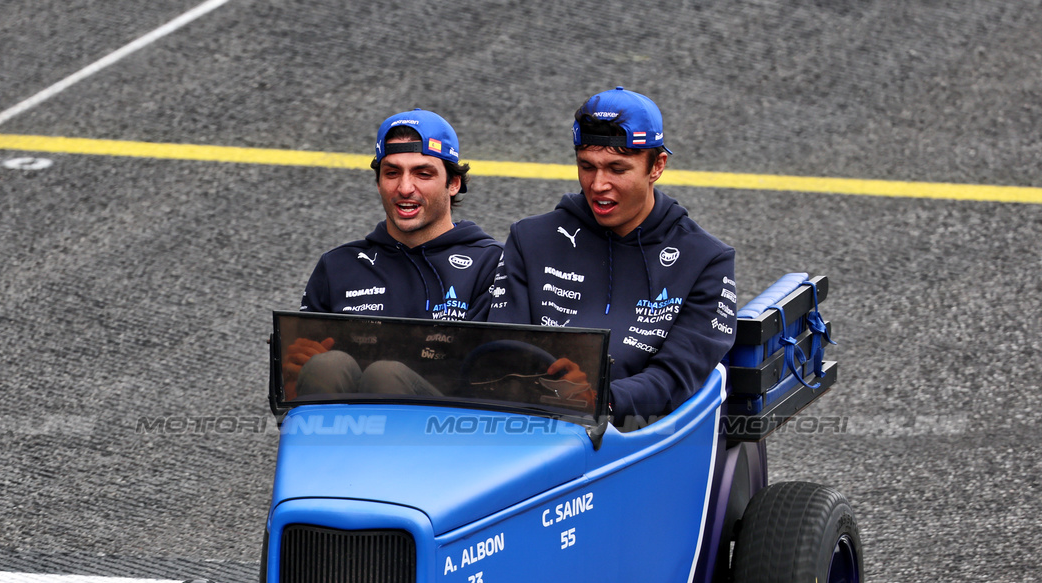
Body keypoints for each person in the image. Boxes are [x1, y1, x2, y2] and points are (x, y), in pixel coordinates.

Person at [489, 87, 737, 426]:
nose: (598, 184)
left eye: (617, 169)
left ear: (657, 166)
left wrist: (598, 400)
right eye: (587, 166)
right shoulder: (529, 239)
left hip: (630, 436)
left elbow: (675, 378)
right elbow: (502, 353)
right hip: (530, 426)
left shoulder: (706, 259)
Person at [285, 109, 504, 397]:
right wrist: (292, 369)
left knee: (384, 375)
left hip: (450, 423)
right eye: (392, 173)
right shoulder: (337, 266)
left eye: (423, 174)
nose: (405, 188)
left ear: (453, 183)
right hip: (345, 423)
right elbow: (288, 393)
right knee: (327, 366)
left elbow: (500, 383)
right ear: (378, 183)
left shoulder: (493, 264)